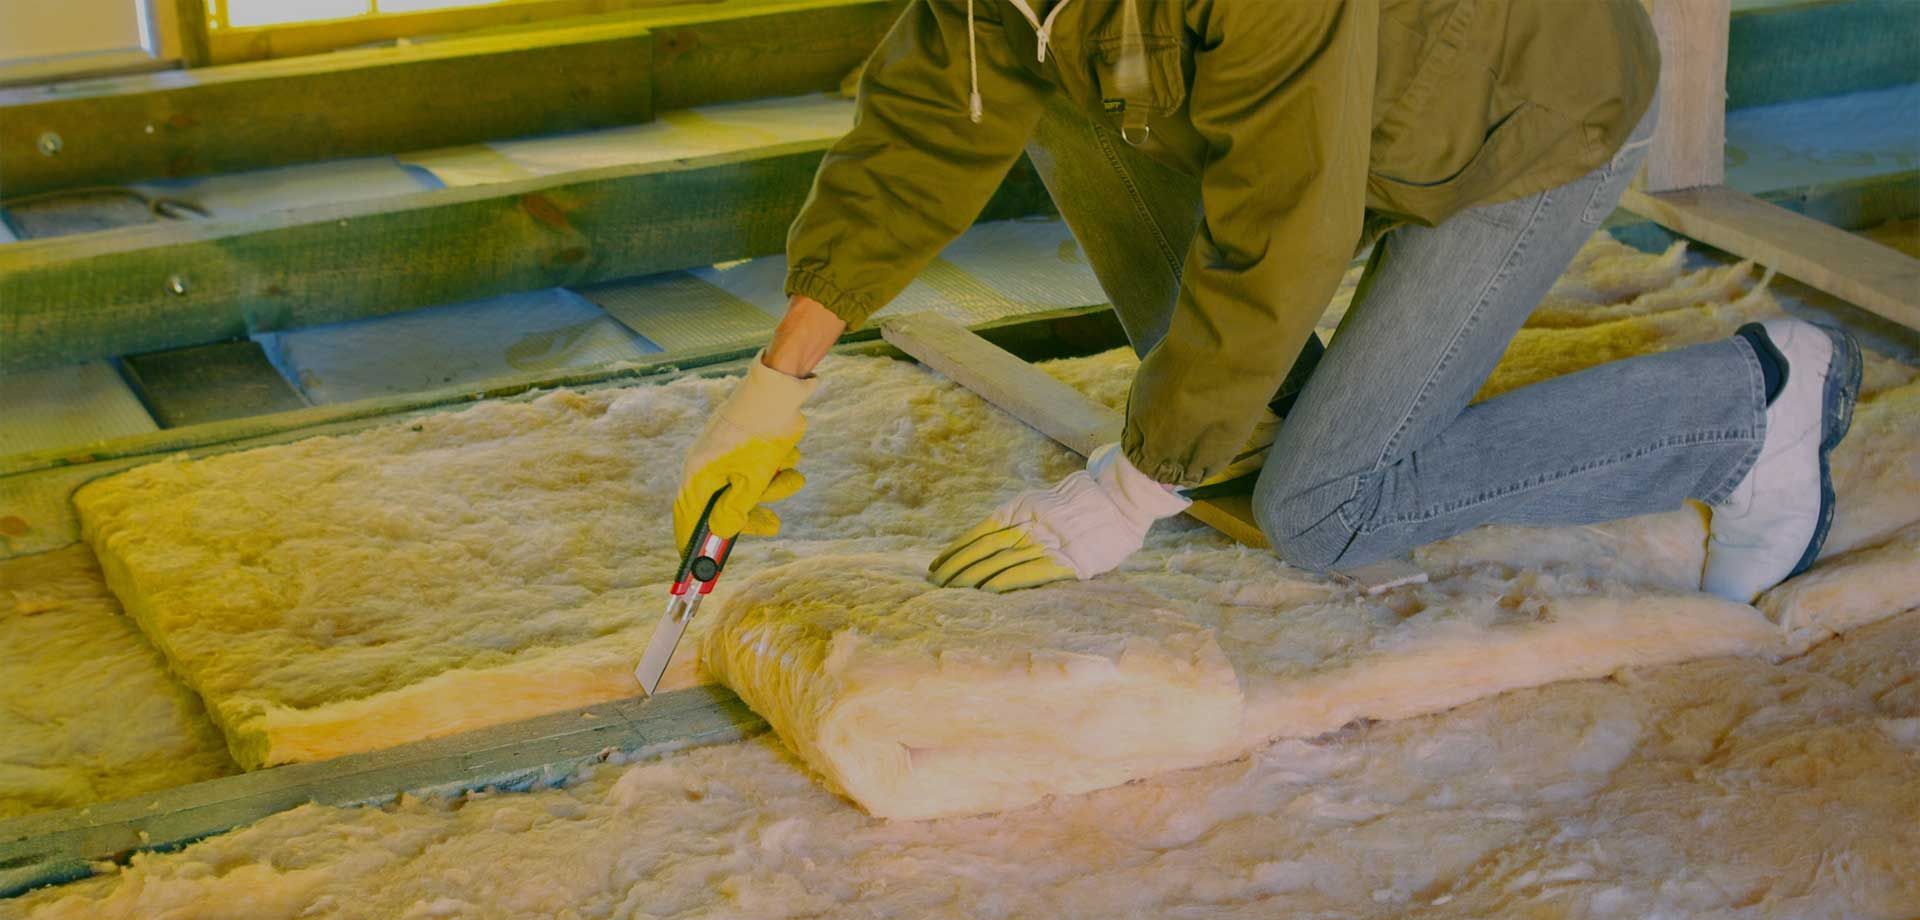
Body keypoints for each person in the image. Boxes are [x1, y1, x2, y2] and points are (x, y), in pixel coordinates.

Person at [674, 0, 1860, 605]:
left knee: (1322, 511)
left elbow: (1285, 232)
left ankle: (1751, 407)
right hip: (1349, 118)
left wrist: (1133, 488)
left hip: (1516, 128)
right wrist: (776, 383)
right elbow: (933, 119)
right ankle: (1246, 423)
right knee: (1047, 108)